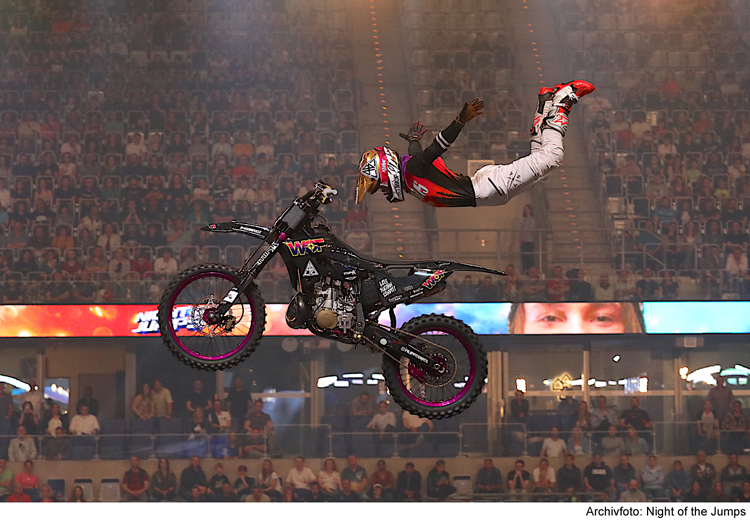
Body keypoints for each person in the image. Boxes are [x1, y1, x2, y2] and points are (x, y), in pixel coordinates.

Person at [356, 82, 595, 210]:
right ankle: (544, 106)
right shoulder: (411, 172)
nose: (383, 191)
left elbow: (436, 149)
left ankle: (563, 99)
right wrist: (413, 140)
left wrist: (459, 121)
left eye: (379, 185)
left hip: (488, 188)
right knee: (542, 164)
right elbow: (418, 154)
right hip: (488, 190)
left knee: (552, 156)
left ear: (386, 170)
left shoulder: (412, 170)